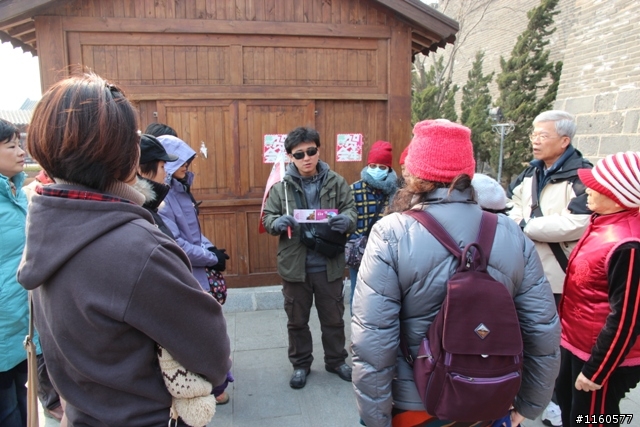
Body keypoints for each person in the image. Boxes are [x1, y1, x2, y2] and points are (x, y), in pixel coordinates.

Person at [17, 73, 231, 426]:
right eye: (133, 137)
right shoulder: (136, 248)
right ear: (122, 153)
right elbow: (212, 350)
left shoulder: (46, 226)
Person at [351, 119, 560, 427]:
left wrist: (374, 418)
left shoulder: (391, 232)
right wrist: (529, 405)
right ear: (468, 173)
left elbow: (373, 338)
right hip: (492, 393)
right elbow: (542, 329)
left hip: (418, 401)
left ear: (417, 173)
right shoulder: (509, 231)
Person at [507, 110, 592, 426]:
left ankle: (560, 406)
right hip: (526, 270)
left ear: (564, 140)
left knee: (554, 346)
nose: (535, 140)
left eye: (542, 135)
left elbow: (579, 222)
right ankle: (521, 398)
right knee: (523, 340)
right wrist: (526, 223)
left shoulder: (581, 175)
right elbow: (510, 210)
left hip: (561, 277)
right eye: (533, 134)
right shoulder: (529, 173)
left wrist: (528, 225)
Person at [262, 126, 357, 389]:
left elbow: (351, 210)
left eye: (311, 151)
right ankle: (301, 364)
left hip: (329, 264)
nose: (307, 158)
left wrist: (346, 220)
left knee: (334, 319)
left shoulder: (336, 181)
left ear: (318, 150)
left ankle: (336, 360)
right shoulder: (281, 186)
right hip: (295, 266)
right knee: (297, 321)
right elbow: (267, 218)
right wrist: (277, 221)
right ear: (290, 157)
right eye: (299, 154)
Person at [556, 152, 640, 427]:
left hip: (600, 356)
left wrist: (596, 371)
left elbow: (626, 319)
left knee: (593, 419)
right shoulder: (604, 222)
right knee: (573, 412)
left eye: (596, 186)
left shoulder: (628, 244)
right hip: (578, 342)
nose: (587, 189)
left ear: (619, 196)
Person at [156, 134, 233, 404]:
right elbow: (177, 244)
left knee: (209, 327)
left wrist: (212, 251)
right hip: (186, 272)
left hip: (198, 268)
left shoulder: (180, 189)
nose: (186, 165)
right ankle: (211, 386)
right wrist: (211, 258)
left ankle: (216, 380)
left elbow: (194, 234)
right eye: (179, 161)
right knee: (197, 332)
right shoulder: (163, 199)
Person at [0, 118, 32, 427]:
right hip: (2, 323)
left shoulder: (16, 192)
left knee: (22, 404)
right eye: (11, 146)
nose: (21, 152)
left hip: (18, 321)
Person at [348, 140, 398, 311]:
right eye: (373, 165)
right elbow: (347, 219)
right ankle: (357, 330)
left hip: (388, 253)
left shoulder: (396, 192)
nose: (377, 170)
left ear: (389, 169)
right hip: (360, 253)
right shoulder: (353, 190)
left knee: (385, 297)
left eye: (382, 167)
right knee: (357, 294)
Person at [136, 134, 179, 238]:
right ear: (140, 170)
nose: (165, 174)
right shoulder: (138, 209)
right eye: (162, 167)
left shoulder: (149, 205)